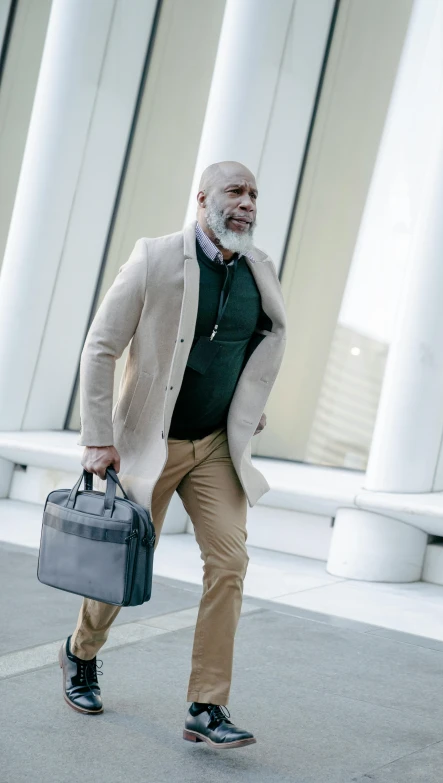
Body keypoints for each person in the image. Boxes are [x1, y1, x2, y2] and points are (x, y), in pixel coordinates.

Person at [59, 161, 287, 749]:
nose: (247, 203)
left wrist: (247, 406)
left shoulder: (260, 269)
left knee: (230, 565)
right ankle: (80, 652)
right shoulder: (155, 258)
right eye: (235, 191)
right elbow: (101, 346)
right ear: (203, 198)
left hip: (215, 446)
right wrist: (98, 437)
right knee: (123, 564)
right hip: (148, 445)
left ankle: (206, 705)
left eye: (254, 194)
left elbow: (260, 343)